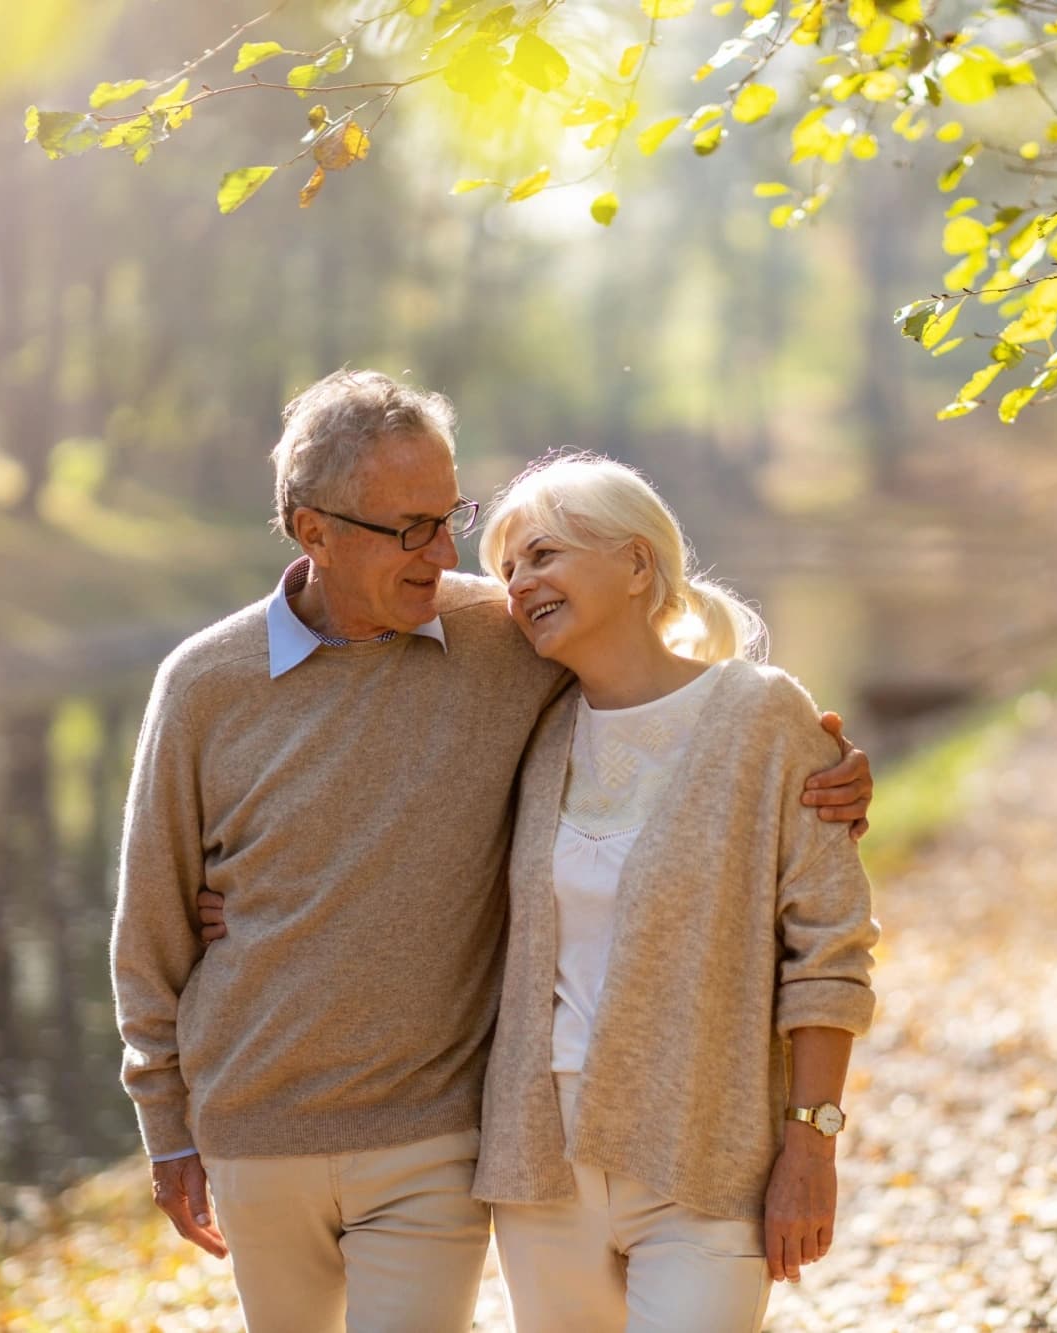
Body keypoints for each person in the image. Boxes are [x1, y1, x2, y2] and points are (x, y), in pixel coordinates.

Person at [112, 370, 873, 1333]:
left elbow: (680, 709)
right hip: (261, 1129)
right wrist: (166, 1122)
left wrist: (830, 772)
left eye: (450, 516)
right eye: (409, 528)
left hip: (439, 1132)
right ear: (315, 532)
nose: (450, 557)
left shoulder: (501, 639)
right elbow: (151, 922)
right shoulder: (206, 683)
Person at [471, 454, 878, 1333]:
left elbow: (830, 947)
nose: (519, 584)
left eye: (542, 554)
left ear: (635, 564)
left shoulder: (763, 715)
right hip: (540, 1163)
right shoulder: (531, 732)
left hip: (706, 1148)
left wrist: (811, 1140)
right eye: (507, 570)